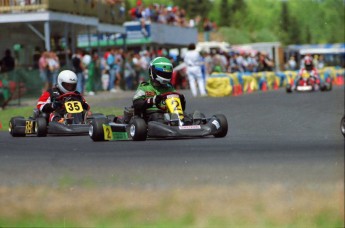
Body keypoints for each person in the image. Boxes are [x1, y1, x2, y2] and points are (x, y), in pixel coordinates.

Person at [133, 56, 186, 123]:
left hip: (170, 113)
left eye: (167, 74)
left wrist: (181, 99)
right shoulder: (145, 87)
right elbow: (136, 103)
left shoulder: (169, 87)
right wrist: (152, 101)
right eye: (162, 73)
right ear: (152, 71)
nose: (165, 76)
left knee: (186, 117)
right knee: (158, 118)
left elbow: (178, 105)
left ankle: (184, 124)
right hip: (151, 114)